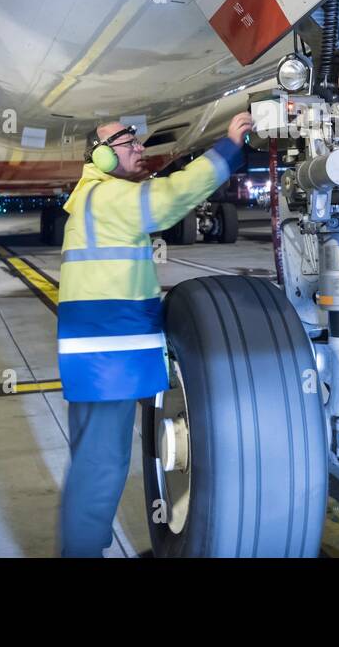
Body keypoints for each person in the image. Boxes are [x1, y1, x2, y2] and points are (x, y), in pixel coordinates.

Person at [57, 111, 253, 556]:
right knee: (100, 468)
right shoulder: (106, 197)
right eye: (127, 143)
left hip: (100, 360)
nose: (138, 148)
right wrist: (227, 148)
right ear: (101, 156)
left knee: (94, 462)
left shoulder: (94, 201)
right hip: (107, 361)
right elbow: (170, 197)